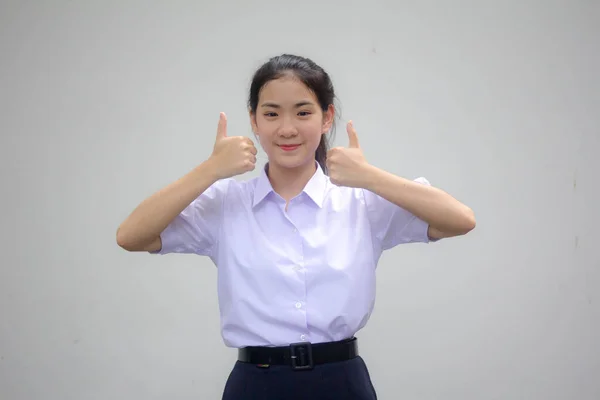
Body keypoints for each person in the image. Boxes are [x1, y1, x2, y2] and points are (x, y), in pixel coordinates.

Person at [116, 54, 476, 399]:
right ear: (254, 121)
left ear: (326, 118)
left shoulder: (360, 201)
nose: (287, 128)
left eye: (303, 112)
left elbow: (460, 220)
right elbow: (131, 236)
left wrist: (369, 176)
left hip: (341, 382)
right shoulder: (226, 204)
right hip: (256, 384)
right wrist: (209, 170)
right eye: (271, 113)